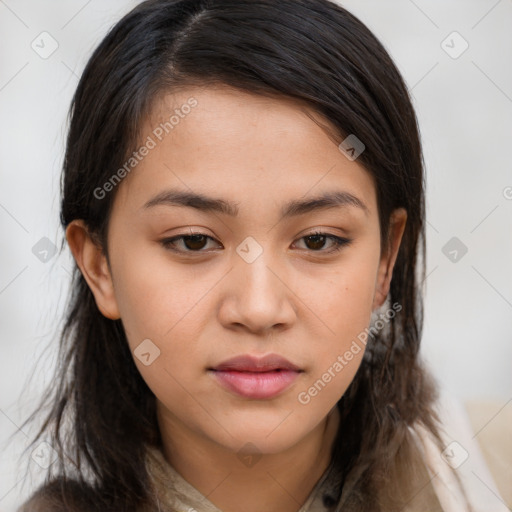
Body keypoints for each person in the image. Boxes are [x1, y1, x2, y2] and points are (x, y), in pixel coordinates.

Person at [16, 0, 474, 510]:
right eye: (193, 241)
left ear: (386, 258)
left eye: (318, 240)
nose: (258, 309)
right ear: (99, 265)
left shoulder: (490, 479)